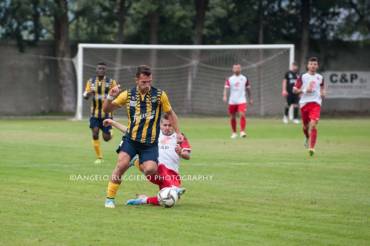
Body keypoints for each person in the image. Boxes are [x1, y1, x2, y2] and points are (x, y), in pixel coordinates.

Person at [102, 65, 183, 208]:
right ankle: (110, 198)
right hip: (131, 140)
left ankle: (137, 160)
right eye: (144, 82)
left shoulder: (159, 95)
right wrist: (110, 96)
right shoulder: (127, 95)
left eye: (149, 82)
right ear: (136, 80)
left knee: (150, 170)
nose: (147, 85)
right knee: (121, 165)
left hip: (150, 143)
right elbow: (107, 109)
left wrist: (178, 133)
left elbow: (170, 113)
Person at [103, 114, 191, 206]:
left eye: (170, 125)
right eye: (165, 125)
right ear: (160, 125)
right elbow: (130, 131)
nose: (167, 128)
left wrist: (181, 152)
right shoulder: (153, 133)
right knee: (161, 166)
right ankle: (173, 188)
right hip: (154, 171)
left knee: (165, 200)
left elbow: (187, 155)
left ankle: (142, 200)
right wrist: (113, 123)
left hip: (172, 175)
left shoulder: (180, 137)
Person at [83, 62, 117, 164]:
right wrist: (88, 94)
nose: (101, 70)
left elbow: (117, 94)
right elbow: (85, 95)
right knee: (95, 133)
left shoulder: (111, 82)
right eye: (99, 68)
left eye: (103, 68)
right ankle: (99, 157)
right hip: (94, 114)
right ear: (96, 70)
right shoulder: (91, 81)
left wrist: (113, 95)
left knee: (106, 138)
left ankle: (111, 132)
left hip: (107, 114)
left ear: (105, 70)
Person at [293, 57, 326, 156]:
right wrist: (304, 90)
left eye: (315, 64)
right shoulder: (303, 77)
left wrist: (323, 92)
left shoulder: (320, 77)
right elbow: (294, 90)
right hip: (304, 104)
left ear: (317, 66)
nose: (313, 66)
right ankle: (307, 137)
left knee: (313, 125)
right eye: (311, 64)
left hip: (316, 103)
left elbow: (322, 87)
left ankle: (312, 148)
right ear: (308, 66)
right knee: (305, 127)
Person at [223, 64, 253, 139]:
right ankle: (234, 133)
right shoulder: (230, 79)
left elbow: (248, 89)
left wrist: (250, 98)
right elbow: (226, 88)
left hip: (241, 100)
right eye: (235, 68)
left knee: (242, 114)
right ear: (233, 69)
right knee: (232, 117)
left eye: (238, 68)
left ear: (241, 69)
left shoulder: (244, 78)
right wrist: (225, 96)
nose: (237, 69)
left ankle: (242, 131)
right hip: (232, 101)